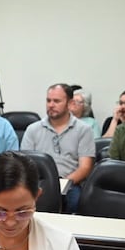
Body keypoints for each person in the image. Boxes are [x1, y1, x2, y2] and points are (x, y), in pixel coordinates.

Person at [20, 84, 95, 213]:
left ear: (70, 103)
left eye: (57, 101)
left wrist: (62, 184)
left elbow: (85, 167)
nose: (51, 105)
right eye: (48, 100)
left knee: (76, 201)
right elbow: (23, 163)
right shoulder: (33, 129)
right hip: (37, 182)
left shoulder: (84, 130)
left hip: (70, 184)